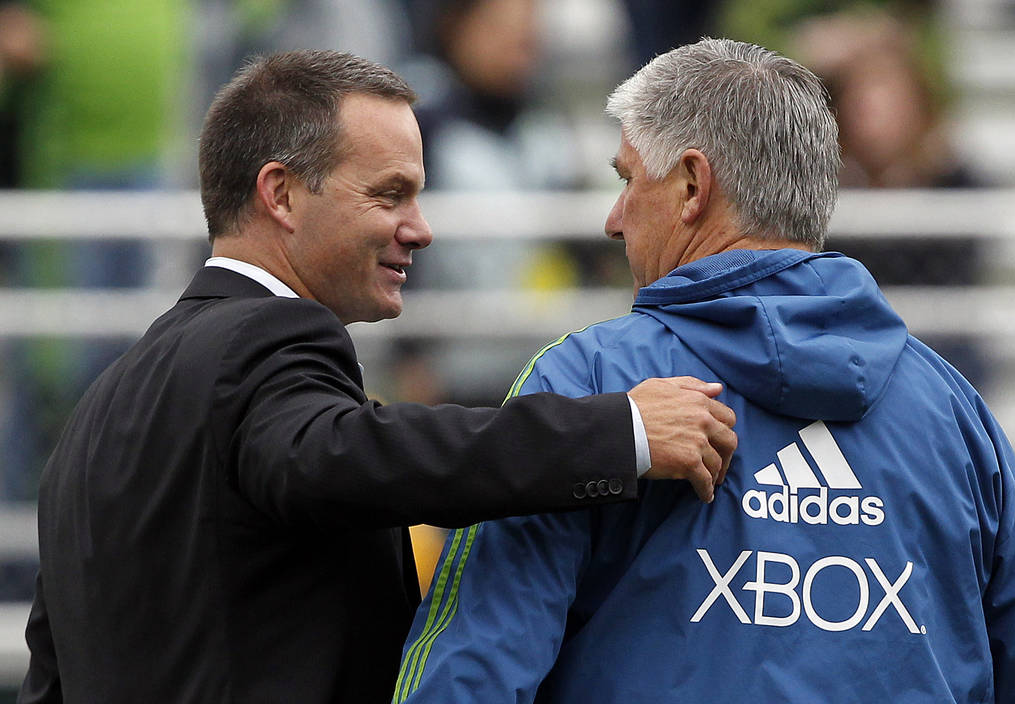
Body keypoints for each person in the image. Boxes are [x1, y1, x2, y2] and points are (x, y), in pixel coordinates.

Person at [17, 50, 739, 703]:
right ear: (281, 194)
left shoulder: (96, 413)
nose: (419, 227)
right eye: (390, 194)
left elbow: (51, 677)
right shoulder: (266, 337)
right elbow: (336, 456)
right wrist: (621, 431)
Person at [394, 39, 1015, 703]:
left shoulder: (592, 380)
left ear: (690, 185)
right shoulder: (954, 413)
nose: (613, 220)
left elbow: (471, 669)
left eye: (627, 180)